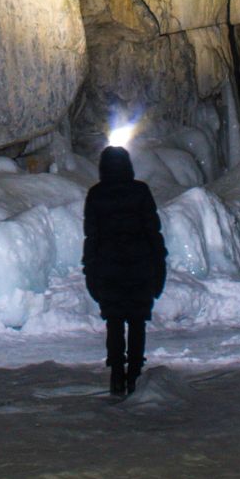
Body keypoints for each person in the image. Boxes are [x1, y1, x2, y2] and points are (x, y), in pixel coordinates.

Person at [82, 144, 167, 397]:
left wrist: (90, 270)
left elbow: (92, 237)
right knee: (137, 321)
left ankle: (117, 374)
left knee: (115, 322)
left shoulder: (96, 195)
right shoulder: (140, 192)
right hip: (139, 267)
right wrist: (159, 265)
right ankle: (135, 375)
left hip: (109, 269)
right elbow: (153, 232)